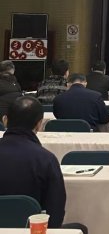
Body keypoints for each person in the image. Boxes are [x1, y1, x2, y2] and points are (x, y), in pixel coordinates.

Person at [0, 97, 88, 233]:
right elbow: (55, 213)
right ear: (39, 124)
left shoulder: (45, 159)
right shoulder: (46, 159)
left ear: (5, 120)